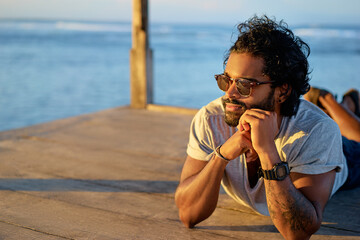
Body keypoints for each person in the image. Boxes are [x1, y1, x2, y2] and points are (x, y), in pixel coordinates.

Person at [174, 15, 356, 240]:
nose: (228, 94)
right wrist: (221, 156)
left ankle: (333, 100)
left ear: (282, 91)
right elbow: (188, 215)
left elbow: (297, 231)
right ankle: (344, 103)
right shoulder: (211, 119)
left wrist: (268, 151)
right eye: (226, 80)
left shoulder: (317, 131)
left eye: (243, 85)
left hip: (348, 158)